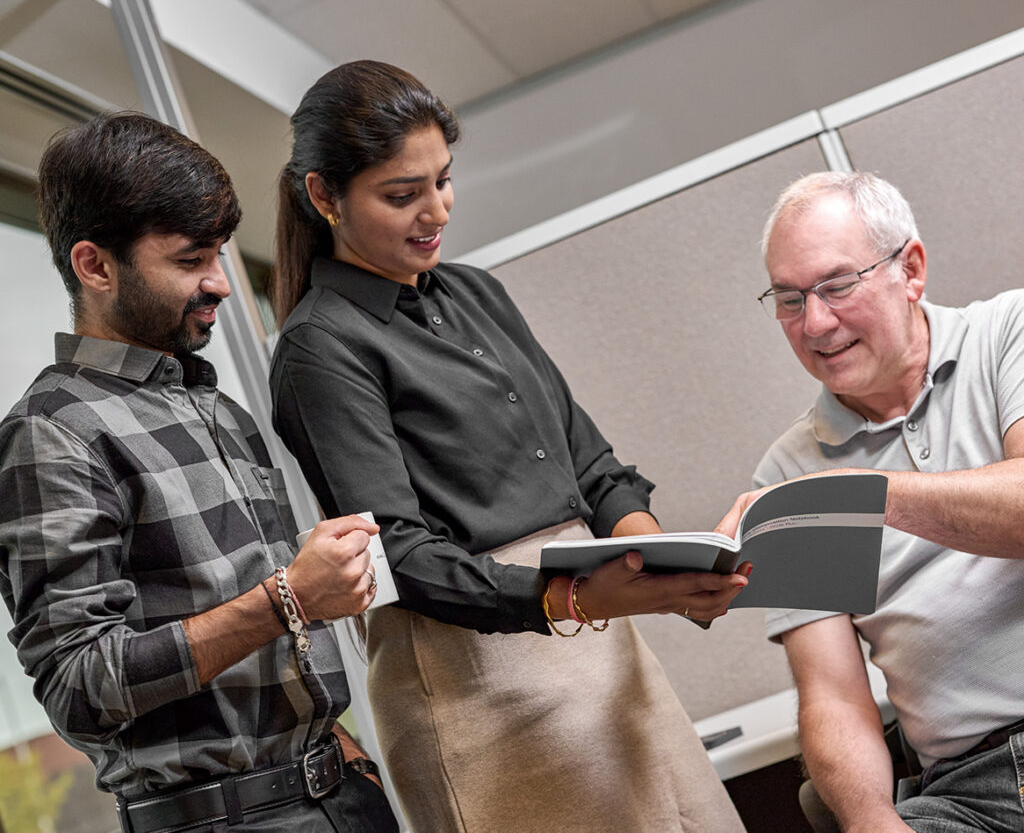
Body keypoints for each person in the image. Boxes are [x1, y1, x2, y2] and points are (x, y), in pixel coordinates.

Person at [269, 60, 750, 832]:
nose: (436, 211)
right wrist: (581, 594)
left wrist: (664, 564)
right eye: (402, 194)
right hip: (483, 683)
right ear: (324, 195)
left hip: (605, 655)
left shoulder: (475, 292)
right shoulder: (321, 347)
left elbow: (590, 464)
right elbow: (401, 554)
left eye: (443, 180)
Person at [0, 113, 399, 833]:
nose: (219, 281)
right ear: (95, 265)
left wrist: (341, 748)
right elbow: (80, 683)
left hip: (338, 795)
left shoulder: (216, 409)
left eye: (218, 253)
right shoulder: (52, 431)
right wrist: (288, 598)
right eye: (190, 260)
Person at [720, 171, 1024, 833]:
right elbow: (831, 693)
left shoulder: (1009, 332)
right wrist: (869, 821)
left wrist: (850, 497)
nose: (816, 323)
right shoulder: (789, 470)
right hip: (971, 790)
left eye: (836, 286)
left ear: (909, 269)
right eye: (790, 299)